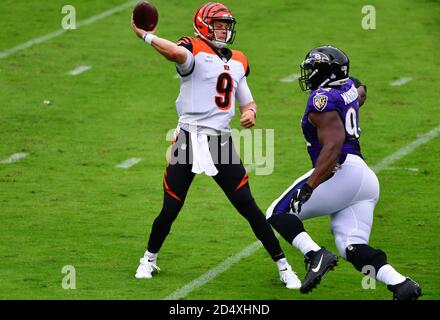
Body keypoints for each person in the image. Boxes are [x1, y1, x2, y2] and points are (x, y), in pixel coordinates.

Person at [130, 2, 301, 289]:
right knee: (171, 207)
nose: (224, 30)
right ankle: (148, 258)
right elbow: (174, 52)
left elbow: (247, 100)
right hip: (188, 139)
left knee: (249, 207)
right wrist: (146, 36)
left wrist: (250, 113)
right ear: (204, 25)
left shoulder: (238, 60)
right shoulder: (193, 50)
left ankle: (284, 266)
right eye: (219, 25)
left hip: (220, 141)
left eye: (226, 25)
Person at [266, 45, 422, 300]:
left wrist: (311, 186)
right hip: (365, 181)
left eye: (313, 69)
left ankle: (315, 254)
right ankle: (402, 284)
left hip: (340, 171)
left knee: (277, 212)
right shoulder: (347, 85)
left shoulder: (322, 100)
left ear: (326, 72)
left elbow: (334, 145)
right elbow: (361, 91)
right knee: (352, 246)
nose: (309, 75)